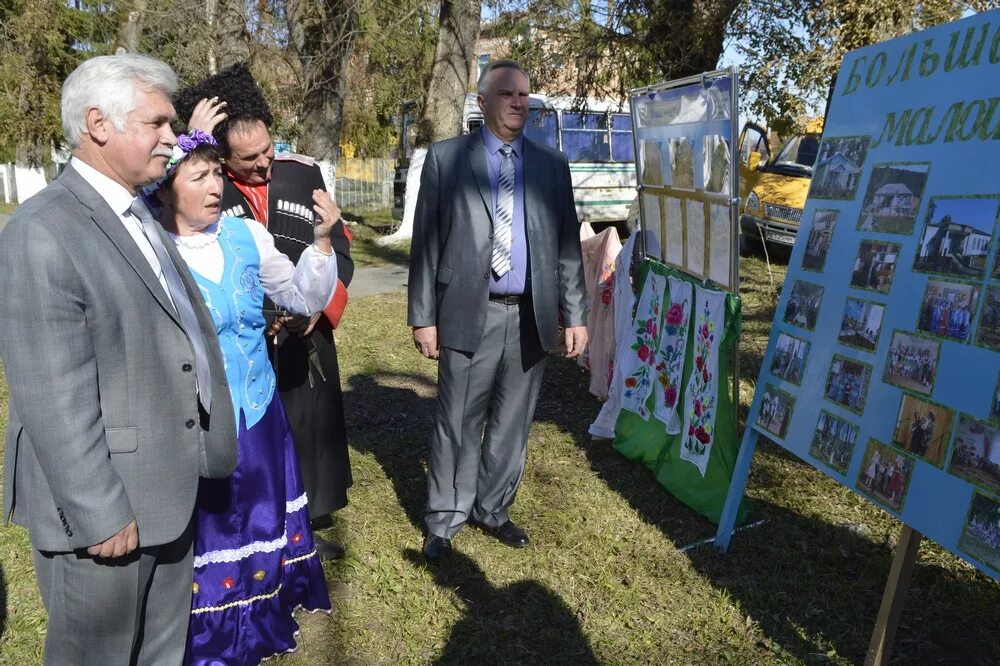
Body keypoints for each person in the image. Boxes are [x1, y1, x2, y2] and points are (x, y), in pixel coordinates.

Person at [0, 55, 238, 663]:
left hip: (165, 493)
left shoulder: (136, 212)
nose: (173, 138)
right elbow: (50, 392)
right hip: (106, 514)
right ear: (98, 123)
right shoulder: (42, 230)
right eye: (159, 123)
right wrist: (99, 512)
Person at [150, 124, 333, 663]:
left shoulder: (246, 237)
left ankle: (262, 615)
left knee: (258, 520)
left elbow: (300, 295)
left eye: (215, 174)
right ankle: (208, 634)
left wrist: (321, 243)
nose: (214, 188)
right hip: (194, 423)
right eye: (198, 176)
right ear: (164, 189)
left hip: (258, 411)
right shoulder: (149, 251)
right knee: (210, 532)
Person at [408, 60, 588, 563]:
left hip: (531, 316)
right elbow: (426, 243)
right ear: (482, 102)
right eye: (507, 94)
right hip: (468, 311)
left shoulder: (551, 166)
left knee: (513, 420)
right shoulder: (447, 160)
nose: (519, 102)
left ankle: (493, 508)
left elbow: (567, 247)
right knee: (458, 420)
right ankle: (446, 517)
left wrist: (575, 314)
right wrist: (423, 315)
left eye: (525, 95)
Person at [177, 64, 353, 559]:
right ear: (222, 158)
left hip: (308, 327)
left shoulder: (302, 172)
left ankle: (306, 521)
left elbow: (338, 246)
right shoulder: (204, 183)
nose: (264, 165)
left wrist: (320, 310)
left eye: (268, 151)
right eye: (249, 159)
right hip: (246, 338)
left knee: (307, 425)